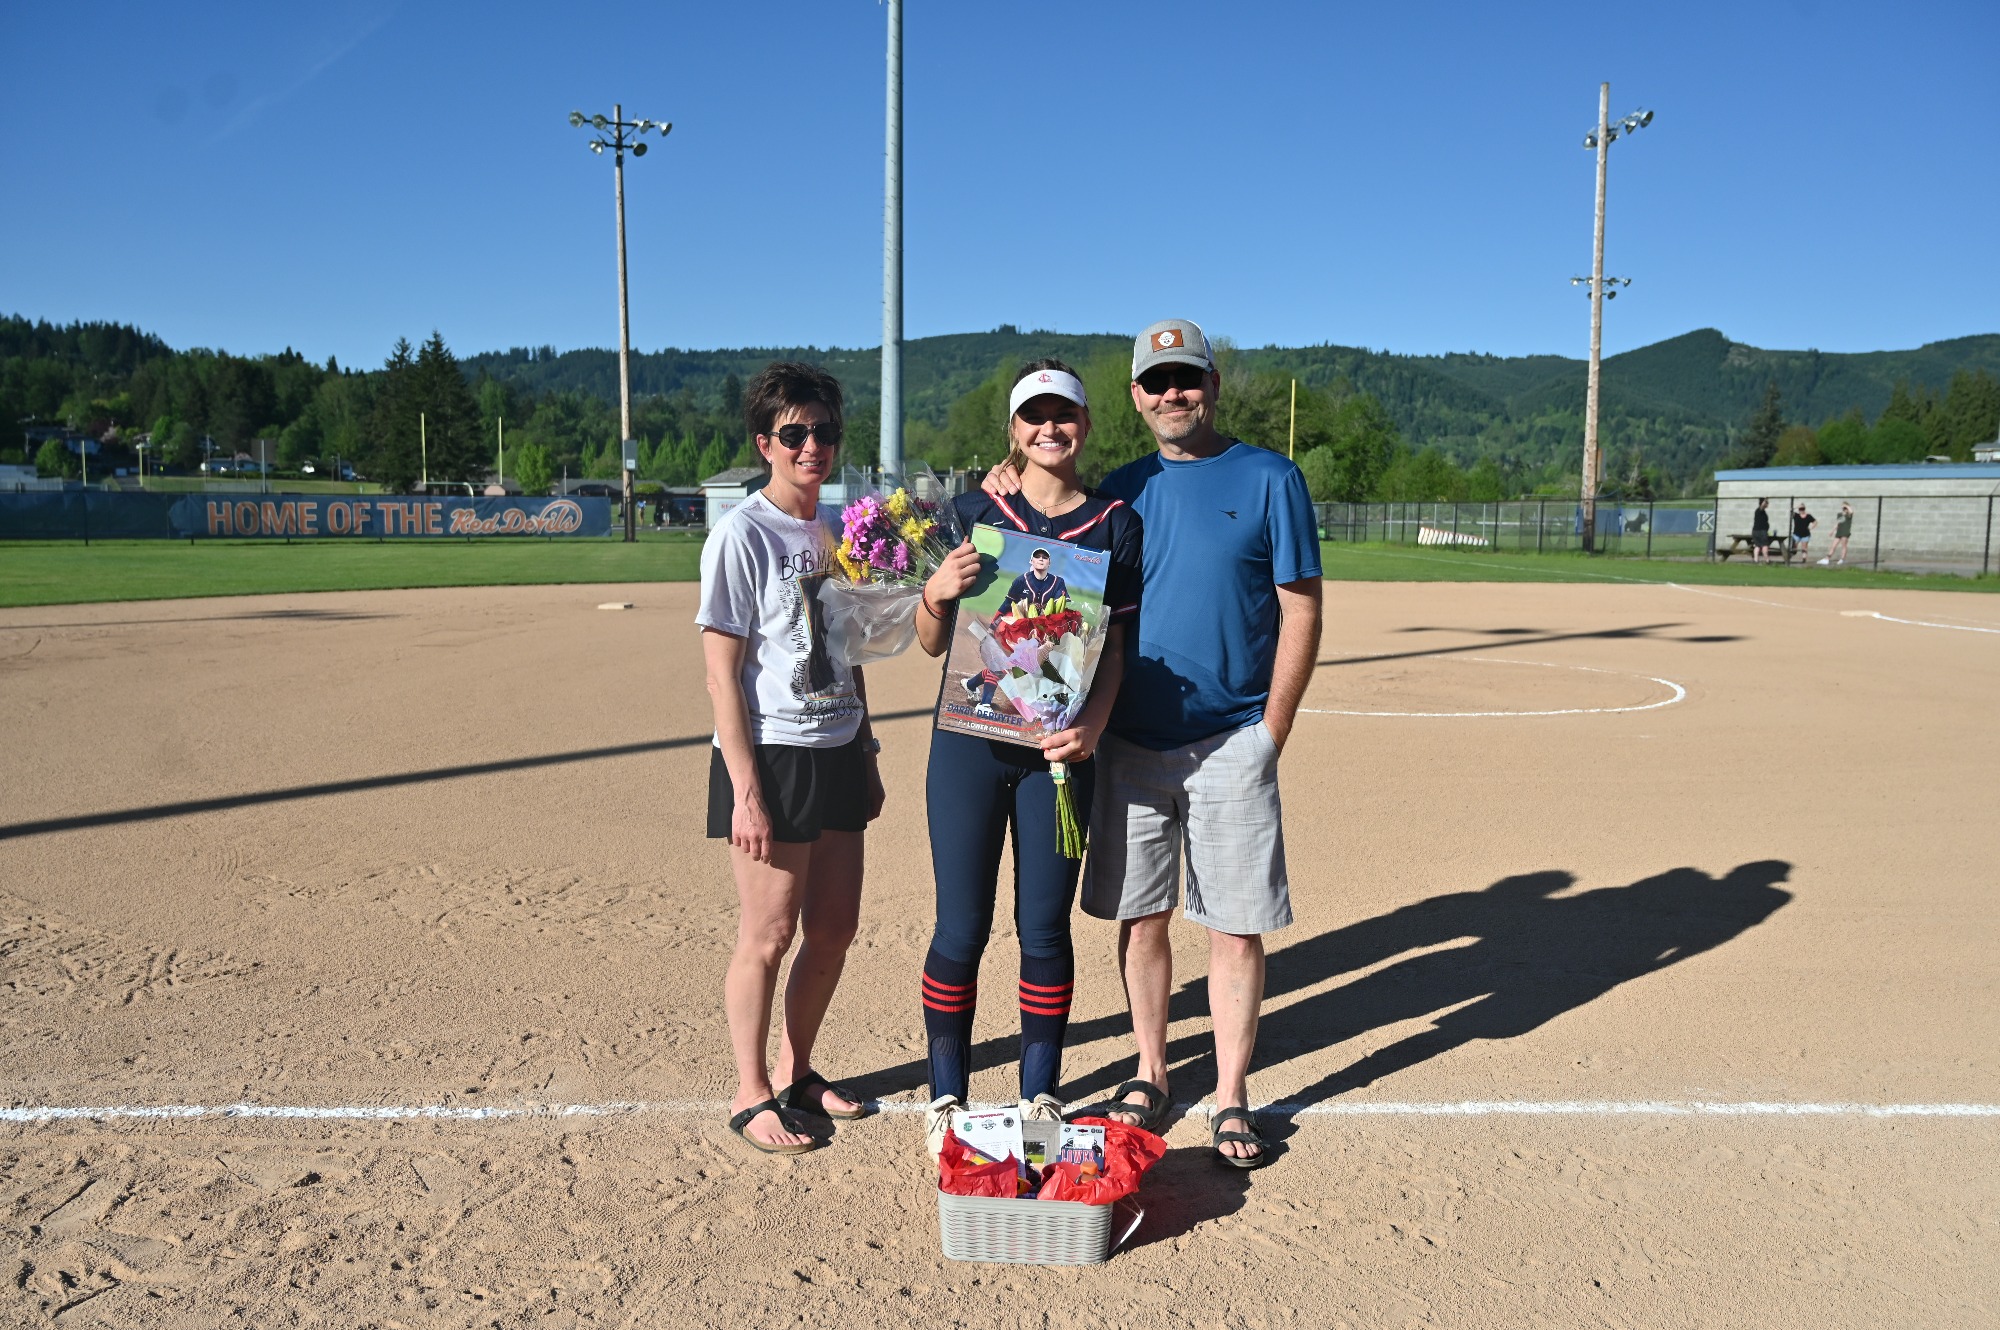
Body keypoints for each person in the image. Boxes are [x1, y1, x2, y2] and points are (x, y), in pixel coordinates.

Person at [986, 319, 1323, 1168]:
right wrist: (1003, 489)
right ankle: (1151, 1069)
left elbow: (1302, 608)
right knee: (1141, 922)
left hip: (1229, 739)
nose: (1174, 394)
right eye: (1157, 382)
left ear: (1212, 385)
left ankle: (1234, 1091)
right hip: (1129, 743)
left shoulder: (1270, 477)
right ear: (1135, 397)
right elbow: (1041, 552)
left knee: (1235, 927)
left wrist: (1270, 732)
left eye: (1188, 379)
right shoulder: (1117, 491)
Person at [918, 359, 1143, 1154]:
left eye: (1065, 414)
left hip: (1058, 754)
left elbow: (1115, 646)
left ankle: (1040, 1091)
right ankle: (947, 1095)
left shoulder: (1115, 521)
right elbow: (932, 643)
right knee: (961, 926)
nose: (1050, 428)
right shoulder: (976, 511)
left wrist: (1094, 727)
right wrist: (936, 593)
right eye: (1033, 416)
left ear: (1084, 424)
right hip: (971, 743)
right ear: (1014, 429)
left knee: (1044, 928)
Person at [698, 361, 885, 1154]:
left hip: (840, 747)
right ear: (765, 443)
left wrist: (868, 741)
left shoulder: (838, 533)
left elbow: (850, 651)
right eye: (796, 433)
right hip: (774, 756)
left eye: (825, 432)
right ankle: (751, 1092)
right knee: (768, 936)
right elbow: (719, 670)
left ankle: (799, 1067)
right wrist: (745, 790)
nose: (813, 446)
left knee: (835, 929)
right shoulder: (741, 533)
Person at [1751, 498, 1772, 563]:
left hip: (1756, 531)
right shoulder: (1759, 510)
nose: (1767, 504)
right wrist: (1765, 500)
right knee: (1764, 545)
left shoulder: (1761, 511)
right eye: (1766, 503)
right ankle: (1767, 560)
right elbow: (1762, 506)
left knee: (1757, 546)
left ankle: (1755, 560)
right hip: (1761, 531)